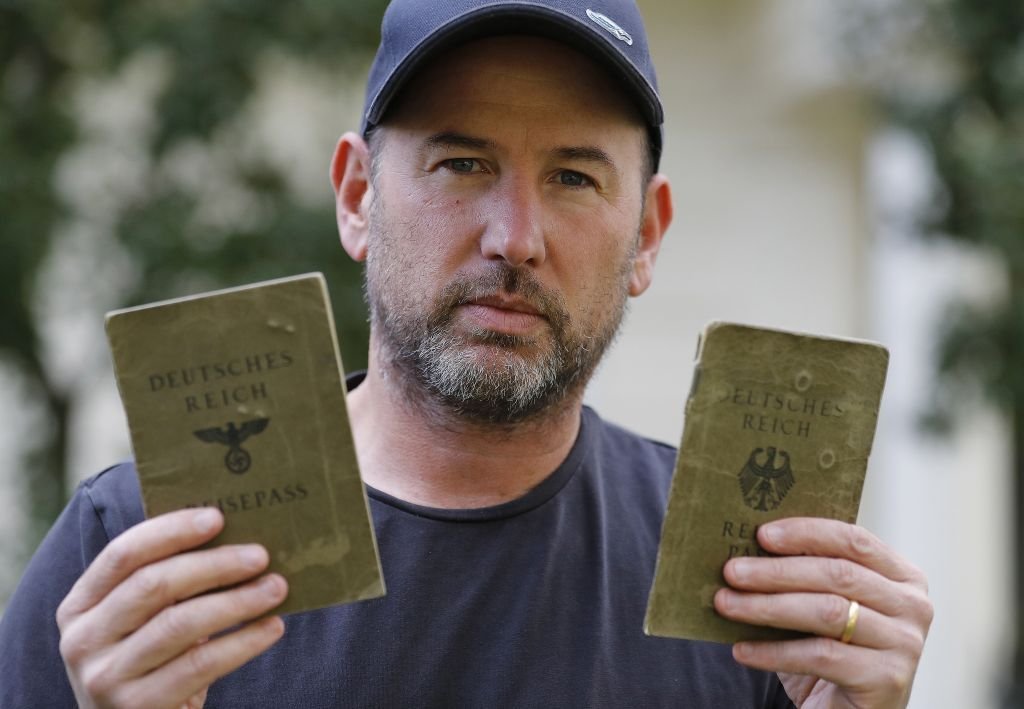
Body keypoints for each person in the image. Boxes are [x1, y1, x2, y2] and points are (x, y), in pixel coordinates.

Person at [0, 0, 933, 707]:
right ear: (357, 197)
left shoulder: (748, 594)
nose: (514, 238)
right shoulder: (141, 557)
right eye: (462, 164)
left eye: (574, 177)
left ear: (647, 236)